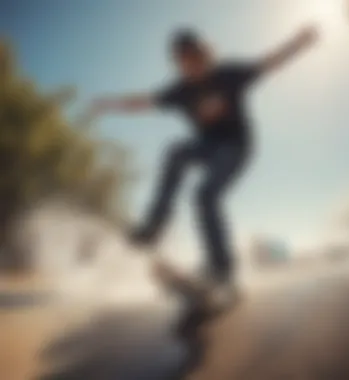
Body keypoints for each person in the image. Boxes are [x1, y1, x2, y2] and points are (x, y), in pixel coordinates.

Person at [90, 25, 318, 299]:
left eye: (196, 57)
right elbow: (143, 102)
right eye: (184, 60)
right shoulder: (180, 91)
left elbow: (268, 63)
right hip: (207, 148)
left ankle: (221, 271)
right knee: (175, 152)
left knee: (205, 195)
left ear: (206, 53)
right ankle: (154, 227)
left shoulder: (229, 74)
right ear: (178, 64)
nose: (192, 65)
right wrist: (108, 104)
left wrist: (298, 43)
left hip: (237, 147)